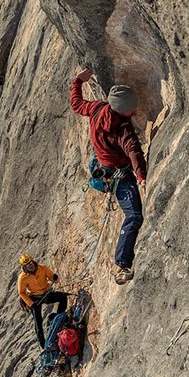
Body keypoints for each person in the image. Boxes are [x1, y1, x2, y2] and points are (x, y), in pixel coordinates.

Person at [69, 67, 146, 285]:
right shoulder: (122, 128)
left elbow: (76, 104)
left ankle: (122, 262)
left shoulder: (96, 109)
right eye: (132, 108)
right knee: (134, 216)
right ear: (124, 110)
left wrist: (78, 81)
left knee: (133, 215)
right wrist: (140, 175)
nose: (134, 110)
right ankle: (122, 263)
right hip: (119, 174)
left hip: (103, 166)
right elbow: (133, 150)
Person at [17, 254, 68, 349]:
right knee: (38, 322)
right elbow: (22, 292)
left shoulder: (42, 268)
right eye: (27, 265)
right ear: (24, 267)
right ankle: (43, 345)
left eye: (30, 262)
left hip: (46, 294)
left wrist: (54, 278)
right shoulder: (22, 278)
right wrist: (31, 304)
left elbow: (51, 277)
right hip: (35, 298)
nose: (30, 265)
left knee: (63, 297)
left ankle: (59, 319)